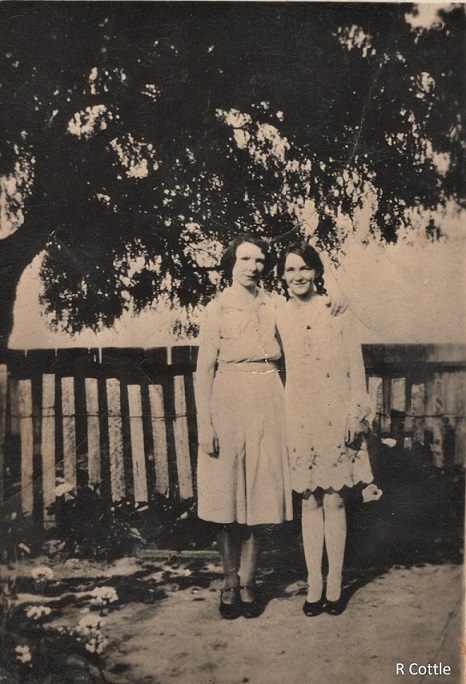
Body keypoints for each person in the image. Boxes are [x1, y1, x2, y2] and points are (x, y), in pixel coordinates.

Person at [276, 240, 382, 617]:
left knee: (336, 498)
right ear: (282, 276)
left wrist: (357, 413)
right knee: (309, 499)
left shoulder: (336, 310)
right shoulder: (277, 313)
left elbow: (356, 367)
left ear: (317, 272)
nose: (297, 276)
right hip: (299, 415)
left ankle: (335, 582)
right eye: (289, 270)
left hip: (335, 414)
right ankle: (314, 583)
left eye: (303, 268)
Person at [195, 234, 292, 619]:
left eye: (260, 260)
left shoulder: (276, 305)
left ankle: (250, 582)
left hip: (269, 395)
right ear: (231, 264)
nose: (254, 266)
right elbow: (204, 369)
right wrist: (206, 423)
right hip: (228, 396)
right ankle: (229, 581)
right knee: (226, 497)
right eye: (246, 259)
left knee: (260, 494)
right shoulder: (216, 307)